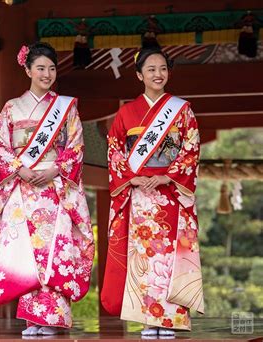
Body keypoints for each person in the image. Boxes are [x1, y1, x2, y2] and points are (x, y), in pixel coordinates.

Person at [0, 42, 95, 336]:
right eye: (40, 68)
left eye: (51, 68)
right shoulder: (12, 107)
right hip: (24, 190)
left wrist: (54, 169)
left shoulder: (65, 108)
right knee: (28, 253)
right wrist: (21, 170)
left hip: (55, 189)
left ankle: (54, 316)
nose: (46, 74)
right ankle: (32, 318)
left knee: (56, 249)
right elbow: (1, 145)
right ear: (27, 70)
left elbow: (75, 146)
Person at [101, 47, 204, 337]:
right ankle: (148, 318)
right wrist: (133, 179)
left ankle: (168, 318)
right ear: (138, 75)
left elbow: (190, 148)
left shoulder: (182, 110)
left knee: (169, 256)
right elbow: (115, 151)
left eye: (162, 69)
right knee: (143, 256)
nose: (158, 74)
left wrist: (164, 177)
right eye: (151, 69)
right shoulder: (126, 113)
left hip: (170, 193)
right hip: (139, 196)